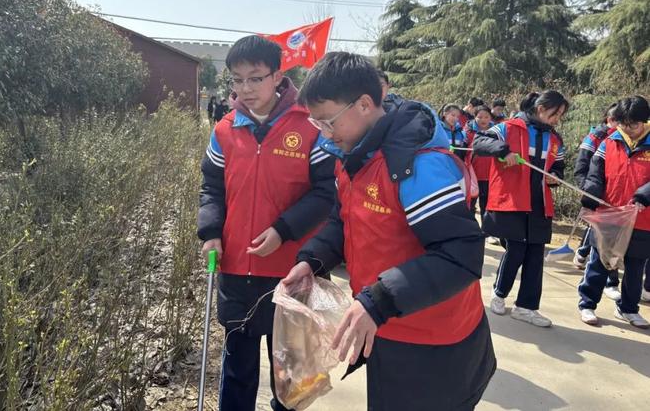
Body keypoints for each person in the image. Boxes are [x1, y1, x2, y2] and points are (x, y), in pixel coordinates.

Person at [282, 52, 496, 411]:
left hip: (434, 344)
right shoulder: (353, 154)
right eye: (317, 125)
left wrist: (378, 299)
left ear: (365, 104)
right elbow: (343, 220)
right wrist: (312, 260)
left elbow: (461, 255)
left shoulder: (418, 166)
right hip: (385, 324)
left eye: (328, 122)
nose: (325, 134)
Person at [197, 35, 336, 411]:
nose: (245, 89)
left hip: (290, 271)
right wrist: (210, 232)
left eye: (255, 78)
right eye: (237, 80)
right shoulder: (226, 129)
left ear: (278, 76)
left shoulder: (309, 127)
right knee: (238, 364)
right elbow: (212, 186)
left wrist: (283, 230)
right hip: (236, 269)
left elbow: (327, 191)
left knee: (290, 373)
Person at [473, 91, 568, 327]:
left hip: (539, 203)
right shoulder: (509, 127)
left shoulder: (555, 139)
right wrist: (503, 151)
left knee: (535, 254)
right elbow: (479, 142)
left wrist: (555, 176)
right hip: (514, 200)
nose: (557, 119)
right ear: (541, 108)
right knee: (516, 250)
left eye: (561, 115)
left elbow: (558, 165)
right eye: (555, 113)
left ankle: (526, 307)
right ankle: (500, 293)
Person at [578, 95, 650, 329]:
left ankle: (628, 308)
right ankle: (587, 303)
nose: (629, 130)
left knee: (635, 264)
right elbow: (595, 175)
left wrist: (643, 196)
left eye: (634, 125)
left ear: (645, 121)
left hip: (642, 218)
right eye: (624, 124)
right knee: (599, 261)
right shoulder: (609, 142)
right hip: (610, 213)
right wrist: (589, 198)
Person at [572, 104, 622, 301]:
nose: (618, 125)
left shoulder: (628, 140)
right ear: (607, 119)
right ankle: (609, 283)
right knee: (603, 238)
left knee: (605, 237)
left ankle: (583, 253)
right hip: (595, 192)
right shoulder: (596, 137)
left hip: (614, 199)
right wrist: (587, 191)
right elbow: (582, 165)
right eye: (615, 120)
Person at [465, 105, 495, 215]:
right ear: (474, 117)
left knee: (487, 207)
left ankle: (485, 231)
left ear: (490, 117)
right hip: (472, 176)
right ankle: (470, 230)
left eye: (486, 117)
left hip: (491, 175)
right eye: (480, 117)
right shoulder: (467, 133)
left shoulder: (497, 132)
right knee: (470, 206)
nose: (483, 120)